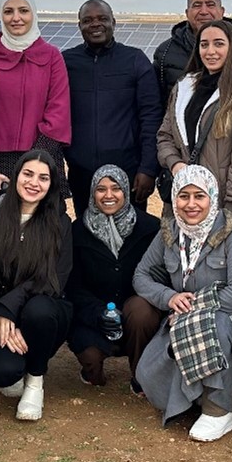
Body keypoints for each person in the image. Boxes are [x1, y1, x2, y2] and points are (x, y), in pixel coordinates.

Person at [133, 166, 232, 442]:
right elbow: (141, 276)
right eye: (183, 196)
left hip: (226, 318)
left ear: (212, 198)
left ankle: (219, 410)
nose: (191, 205)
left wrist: (195, 307)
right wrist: (169, 297)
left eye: (199, 196)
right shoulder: (169, 233)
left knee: (216, 322)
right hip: (180, 317)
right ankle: (195, 397)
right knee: (147, 375)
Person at [0, 151, 74, 421]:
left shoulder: (59, 222)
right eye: (27, 174)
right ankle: (19, 369)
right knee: (4, 375)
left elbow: (52, 278)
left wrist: (9, 308)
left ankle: (36, 380)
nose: (33, 183)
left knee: (39, 310)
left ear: (52, 185)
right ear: (15, 176)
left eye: (43, 177)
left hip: (43, 311)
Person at [156, 19, 232, 223]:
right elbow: (165, 135)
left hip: (221, 202)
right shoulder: (184, 88)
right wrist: (175, 164)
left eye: (219, 43)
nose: (210, 51)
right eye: (204, 44)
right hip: (181, 198)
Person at [65, 165, 163, 390]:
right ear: (92, 193)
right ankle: (92, 373)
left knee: (141, 311)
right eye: (101, 189)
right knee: (89, 355)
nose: (108, 195)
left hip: (135, 318)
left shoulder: (150, 228)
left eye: (116, 188)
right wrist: (99, 313)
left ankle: (141, 376)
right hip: (94, 317)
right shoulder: (77, 232)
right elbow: (73, 287)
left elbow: (158, 277)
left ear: (126, 192)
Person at [62, 0, 163, 216]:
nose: (95, 24)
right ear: (79, 26)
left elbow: (151, 116)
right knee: (88, 236)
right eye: (87, 20)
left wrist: (148, 168)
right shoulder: (66, 63)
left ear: (113, 23)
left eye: (102, 19)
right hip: (81, 173)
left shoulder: (135, 60)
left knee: (130, 238)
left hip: (128, 171)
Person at [0, 0, 71, 198]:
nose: (16, 18)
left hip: (43, 161)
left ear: (33, 14)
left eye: (23, 10)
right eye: (8, 11)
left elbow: (58, 113)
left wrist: (33, 165)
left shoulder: (53, 56)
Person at [152, 0, 232, 101]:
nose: (203, 11)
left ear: (222, 11)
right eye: (197, 5)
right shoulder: (165, 52)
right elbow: (155, 101)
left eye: (210, 5)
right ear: (187, 13)